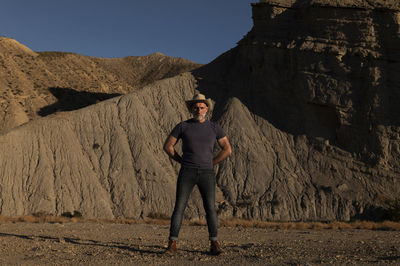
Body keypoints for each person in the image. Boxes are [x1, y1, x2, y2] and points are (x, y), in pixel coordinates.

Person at [163, 93, 232, 255]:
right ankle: (172, 243)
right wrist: (181, 161)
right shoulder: (182, 126)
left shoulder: (215, 127)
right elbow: (168, 146)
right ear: (191, 109)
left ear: (207, 109)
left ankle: (214, 243)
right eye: (195, 107)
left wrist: (212, 162)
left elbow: (227, 149)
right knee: (179, 207)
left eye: (202, 107)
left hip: (207, 173)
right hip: (187, 171)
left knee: (210, 208)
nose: (198, 110)